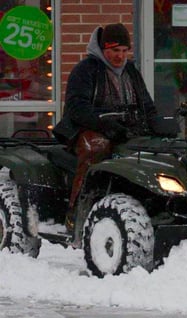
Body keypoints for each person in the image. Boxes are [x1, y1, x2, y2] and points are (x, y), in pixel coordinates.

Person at [53, 23, 157, 231]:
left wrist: (158, 124)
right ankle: (77, 211)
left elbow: (146, 105)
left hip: (126, 129)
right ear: (103, 49)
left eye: (124, 51)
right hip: (88, 129)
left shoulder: (131, 71)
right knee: (96, 149)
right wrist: (105, 125)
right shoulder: (86, 70)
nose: (120, 56)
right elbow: (77, 108)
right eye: (114, 51)